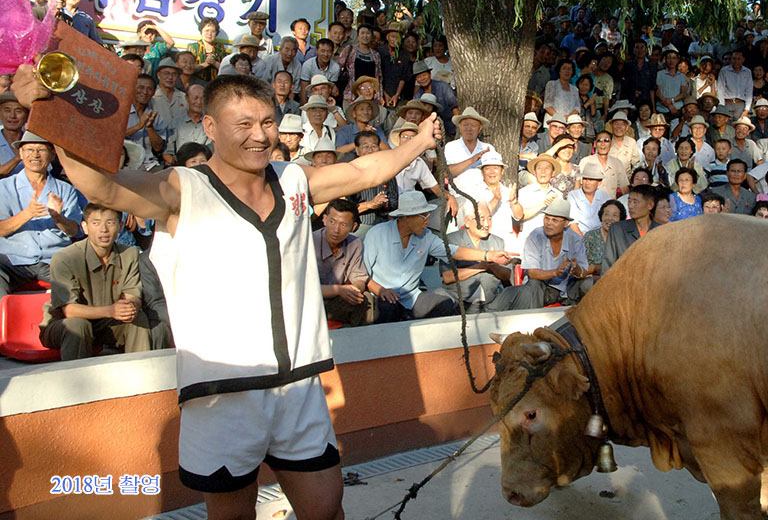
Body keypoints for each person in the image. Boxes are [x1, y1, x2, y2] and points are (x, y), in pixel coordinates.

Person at [12, 67, 447, 520]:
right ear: (210, 126)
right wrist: (47, 114)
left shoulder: (294, 179)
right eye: (243, 124)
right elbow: (103, 185)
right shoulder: (184, 189)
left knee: (326, 509)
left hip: (298, 386)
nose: (259, 136)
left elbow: (362, 169)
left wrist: (418, 142)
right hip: (221, 395)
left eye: (266, 122)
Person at [39, 203, 170, 360]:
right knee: (78, 325)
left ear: (121, 226)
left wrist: (129, 308)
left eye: (110, 222)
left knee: (138, 318)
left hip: (109, 322)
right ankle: (79, 380)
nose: (104, 229)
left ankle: (141, 375)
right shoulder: (65, 258)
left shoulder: (129, 254)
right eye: (96, 223)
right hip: (64, 324)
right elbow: (69, 310)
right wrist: (111, 311)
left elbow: (132, 294)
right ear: (85, 227)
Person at [363, 191, 513, 321]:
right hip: (381, 295)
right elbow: (362, 274)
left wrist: (489, 255)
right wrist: (381, 290)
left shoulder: (426, 236)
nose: (427, 221)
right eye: (423, 216)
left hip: (411, 298)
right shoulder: (377, 234)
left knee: (445, 306)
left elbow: (453, 251)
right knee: (388, 308)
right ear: (407, 217)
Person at [0, 132, 82, 295]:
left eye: (41, 150)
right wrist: (28, 213)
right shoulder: (4, 187)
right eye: (29, 149)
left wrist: (58, 219)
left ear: (52, 154)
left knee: (83, 285)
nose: (35, 155)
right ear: (21, 153)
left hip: (54, 260)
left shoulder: (65, 189)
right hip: (13, 260)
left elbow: (75, 231)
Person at [440, 201, 533, 311]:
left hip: (491, 302)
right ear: (467, 222)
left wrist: (492, 265)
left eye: (489, 219)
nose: (487, 224)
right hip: (460, 303)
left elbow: (506, 276)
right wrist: (481, 267)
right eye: (481, 219)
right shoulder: (451, 240)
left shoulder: (497, 241)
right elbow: (448, 277)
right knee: (437, 298)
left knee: (524, 291)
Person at [512, 199, 593, 306]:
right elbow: (532, 273)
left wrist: (576, 269)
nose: (549, 223)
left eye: (555, 220)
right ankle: (532, 319)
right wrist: (555, 272)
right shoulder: (535, 236)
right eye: (546, 218)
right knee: (534, 284)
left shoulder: (575, 239)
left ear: (566, 223)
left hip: (567, 288)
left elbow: (583, 272)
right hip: (542, 288)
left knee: (589, 284)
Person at [313, 199, 374, 327]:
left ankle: (361, 341)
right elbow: (304, 288)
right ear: (324, 220)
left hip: (337, 299)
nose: (336, 230)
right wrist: (339, 290)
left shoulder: (355, 243)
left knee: (366, 299)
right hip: (313, 300)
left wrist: (354, 290)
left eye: (343, 225)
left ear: (353, 227)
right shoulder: (309, 243)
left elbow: (359, 277)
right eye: (332, 222)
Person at [603, 183, 658, 271]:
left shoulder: (660, 231)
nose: (630, 206)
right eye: (629, 201)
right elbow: (608, 264)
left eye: (635, 202)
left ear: (650, 205)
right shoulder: (617, 229)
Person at [444, 107, 494, 194]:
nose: (469, 129)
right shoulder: (451, 146)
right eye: (465, 125)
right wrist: (472, 160)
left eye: (473, 125)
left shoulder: (487, 148)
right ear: (460, 127)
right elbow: (446, 173)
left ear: (480, 128)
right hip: (459, 194)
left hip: (483, 193)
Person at [579, 131, 630, 198]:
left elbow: (624, 189)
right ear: (595, 144)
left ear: (611, 144)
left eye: (606, 140)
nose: (603, 144)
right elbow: (579, 186)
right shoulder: (585, 161)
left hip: (610, 205)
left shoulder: (617, 163)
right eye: (599, 141)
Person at [567, 162, 611, 236]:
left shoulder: (604, 196)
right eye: (585, 179)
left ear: (599, 182)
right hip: (579, 237)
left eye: (591, 180)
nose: (587, 182)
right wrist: (583, 241)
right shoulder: (573, 195)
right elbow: (572, 223)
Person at [582, 200, 624, 278]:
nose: (610, 218)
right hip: (591, 279)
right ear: (601, 216)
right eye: (606, 214)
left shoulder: (623, 239)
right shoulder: (590, 236)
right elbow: (582, 265)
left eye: (615, 215)